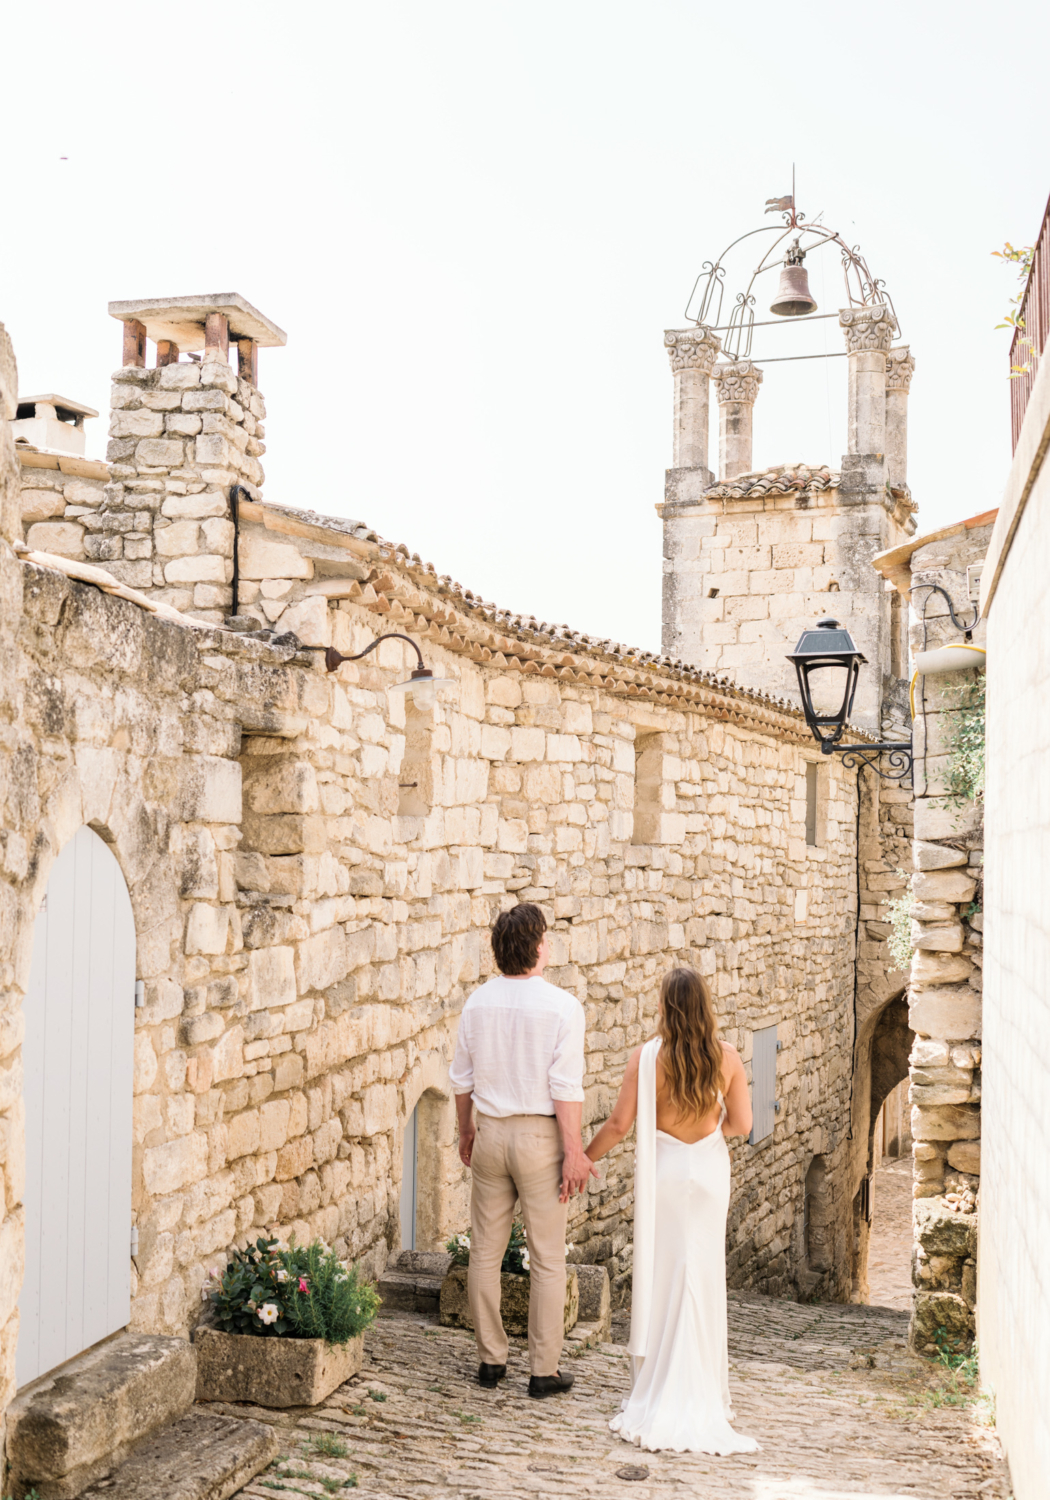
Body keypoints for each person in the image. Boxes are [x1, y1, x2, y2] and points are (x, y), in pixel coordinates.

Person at [585, 966, 759, 1455]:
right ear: (704, 1006)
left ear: (665, 1006)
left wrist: (581, 1158)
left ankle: (658, 1383)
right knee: (702, 1276)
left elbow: (620, 1125)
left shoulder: (645, 1059)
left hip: (664, 1175)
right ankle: (702, 1386)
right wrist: (707, 1136)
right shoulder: (726, 1058)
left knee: (666, 1277)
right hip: (706, 1175)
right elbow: (742, 1123)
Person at [450, 902, 598, 1397]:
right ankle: (543, 1370)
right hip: (539, 1138)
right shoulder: (562, 1007)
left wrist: (465, 1131)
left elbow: (461, 1080)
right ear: (538, 948)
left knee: (485, 1256)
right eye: (547, 940)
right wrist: (574, 1150)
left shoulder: (477, 1003)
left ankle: (490, 1361)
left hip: (490, 1132)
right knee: (548, 1259)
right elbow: (565, 1088)